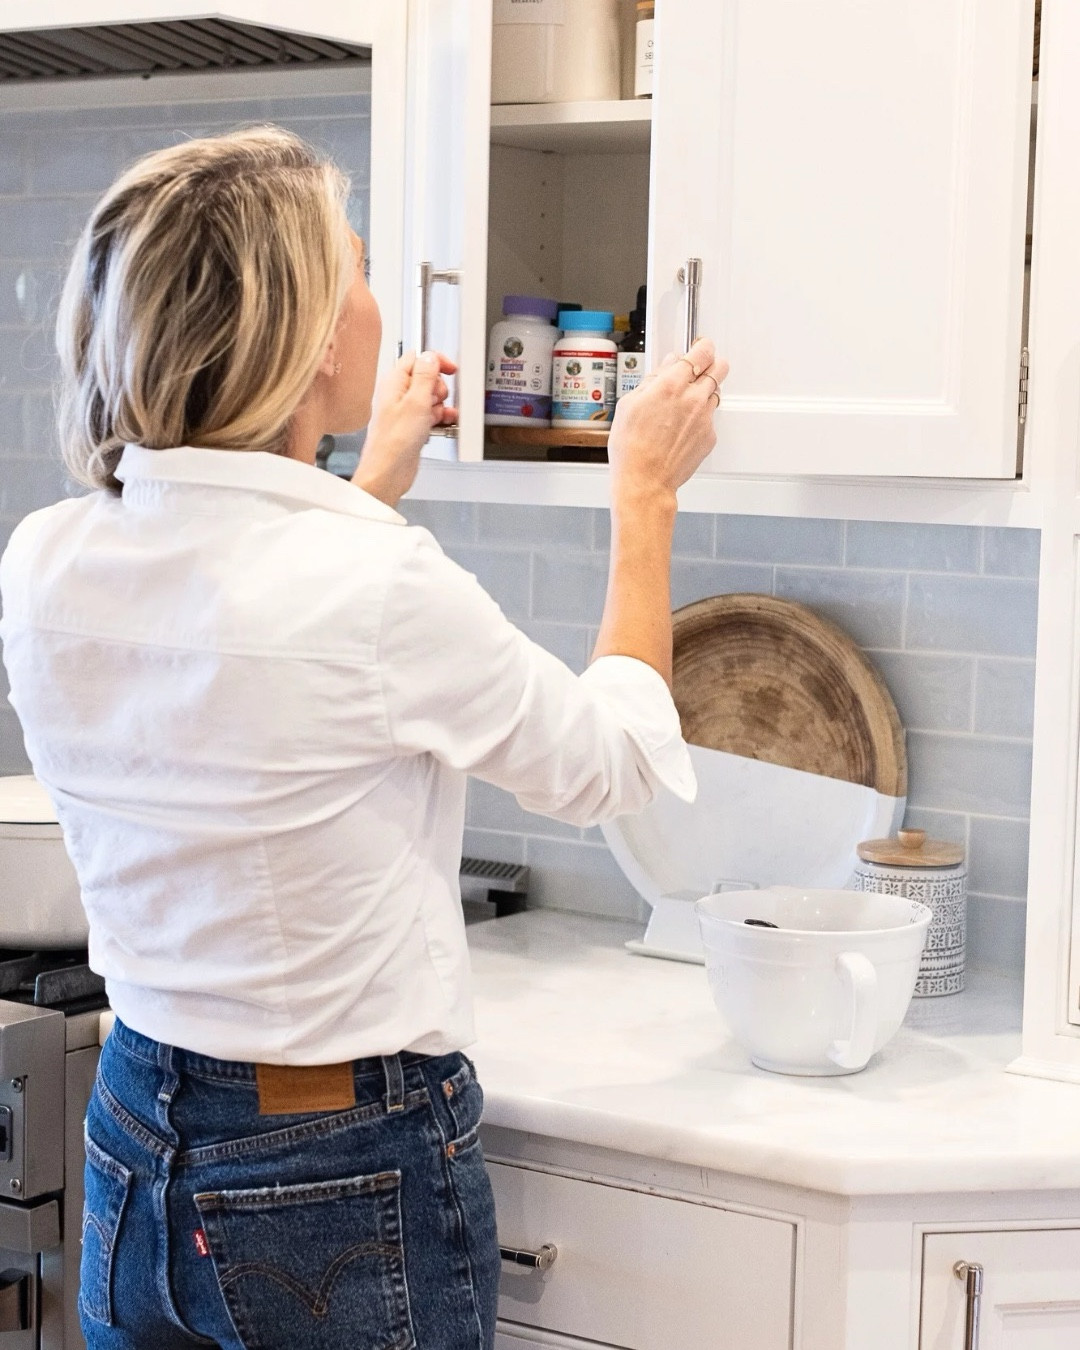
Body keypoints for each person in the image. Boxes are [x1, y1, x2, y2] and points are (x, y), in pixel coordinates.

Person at [0, 128, 728, 1350]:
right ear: (306, 332)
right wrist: (645, 498)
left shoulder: (47, 557)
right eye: (357, 265)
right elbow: (616, 766)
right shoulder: (376, 584)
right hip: (337, 1161)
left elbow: (244, 629)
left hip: (135, 1134)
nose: (380, 297)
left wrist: (358, 483)